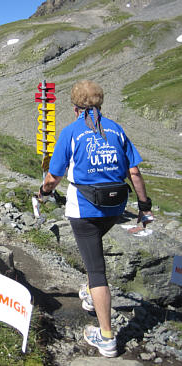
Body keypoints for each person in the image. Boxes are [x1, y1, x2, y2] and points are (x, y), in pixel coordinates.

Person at [38, 80, 154, 358]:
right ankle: (92, 292)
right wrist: (144, 205)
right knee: (95, 257)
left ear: (75, 107)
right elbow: (134, 172)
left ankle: (106, 337)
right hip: (115, 207)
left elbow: (54, 177)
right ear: (100, 103)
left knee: (96, 271)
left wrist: (42, 191)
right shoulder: (116, 130)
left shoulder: (71, 132)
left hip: (84, 210)